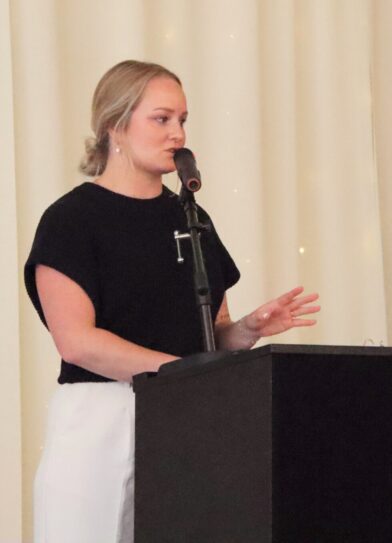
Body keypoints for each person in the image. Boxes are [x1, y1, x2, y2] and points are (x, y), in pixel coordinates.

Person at [24, 60, 320, 543]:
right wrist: (182, 375)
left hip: (182, 417)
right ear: (115, 124)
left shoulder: (193, 217)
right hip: (99, 423)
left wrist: (248, 329)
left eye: (182, 120)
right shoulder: (71, 220)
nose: (177, 133)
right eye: (161, 119)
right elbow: (77, 342)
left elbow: (212, 336)